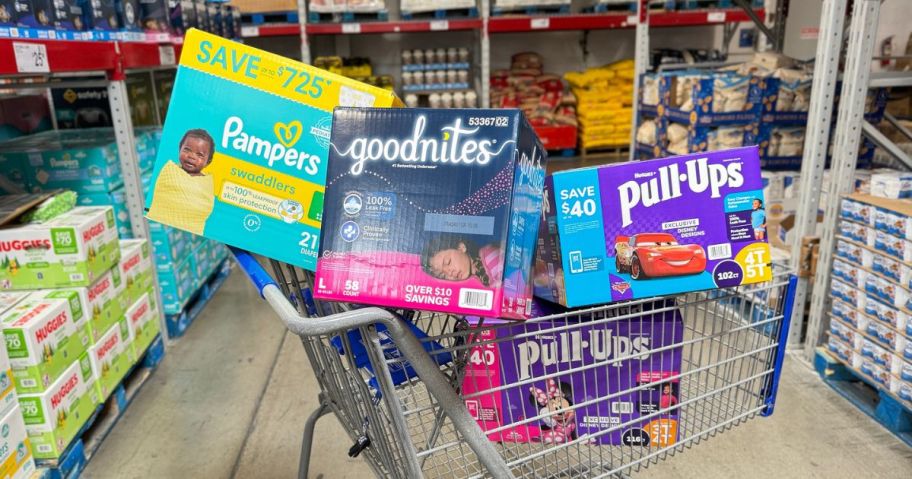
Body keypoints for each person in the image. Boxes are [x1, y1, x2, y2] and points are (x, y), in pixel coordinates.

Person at [146, 129, 217, 235]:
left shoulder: (206, 184)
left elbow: (204, 207)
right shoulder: (169, 171)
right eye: (187, 150)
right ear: (180, 149)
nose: (191, 156)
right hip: (161, 229)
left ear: (208, 161)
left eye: (200, 155)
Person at [421, 235, 503, 287]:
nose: (449, 273)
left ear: (461, 247)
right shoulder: (470, 284)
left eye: (448, 262)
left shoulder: (489, 255)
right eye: (443, 275)